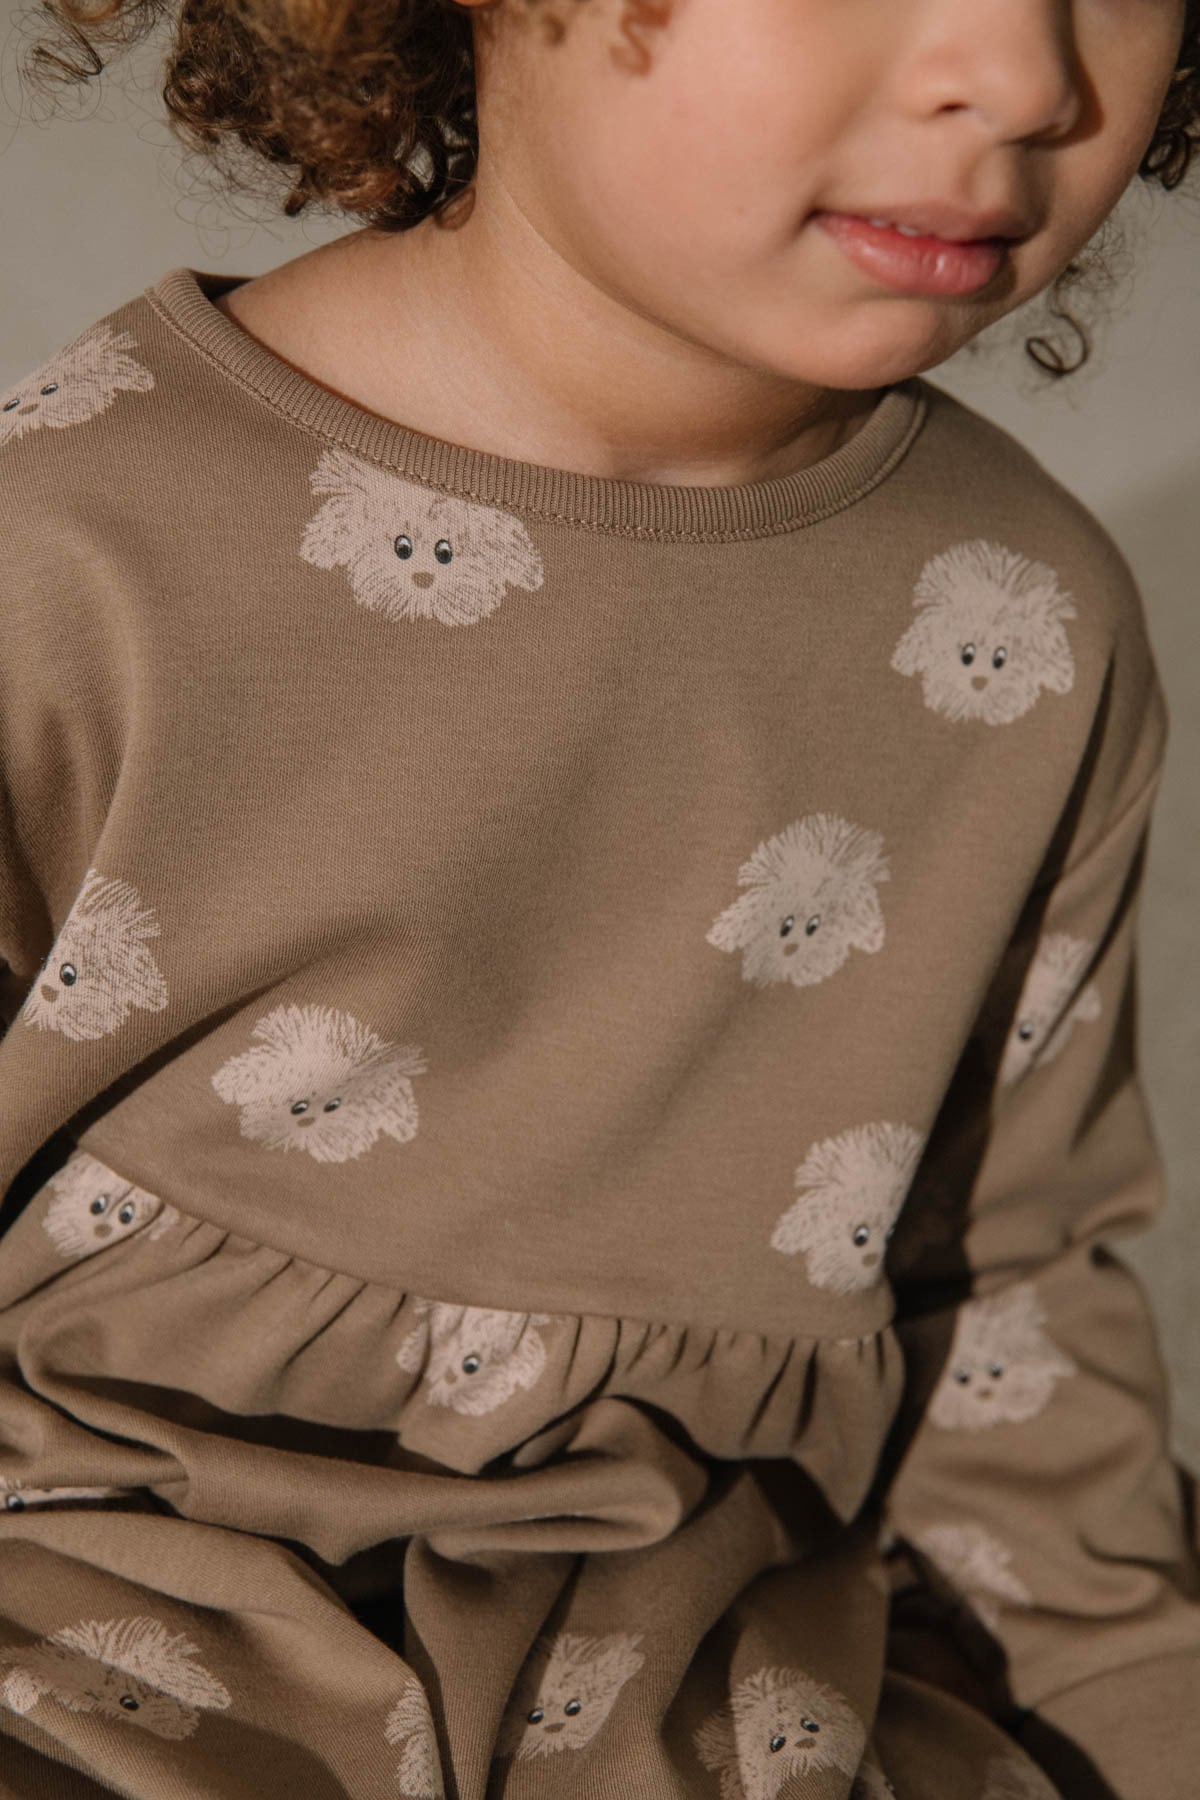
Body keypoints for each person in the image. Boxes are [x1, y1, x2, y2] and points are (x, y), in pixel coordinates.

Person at [0, 0, 1197, 1794]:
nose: (1025, 79)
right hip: (77, 1635)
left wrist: (1143, 1713)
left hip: (713, 1681)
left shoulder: (1019, 624)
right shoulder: (65, 551)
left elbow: (1005, 1302)